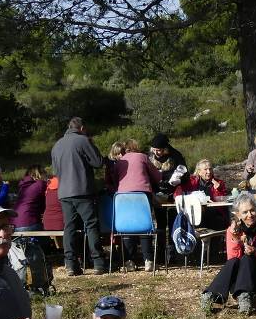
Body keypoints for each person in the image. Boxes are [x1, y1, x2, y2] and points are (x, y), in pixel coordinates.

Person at [199, 192, 256, 315]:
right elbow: (232, 259)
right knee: (235, 261)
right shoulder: (233, 230)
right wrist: (235, 237)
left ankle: (244, 297)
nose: (250, 215)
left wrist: (255, 252)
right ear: (238, 214)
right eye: (245, 212)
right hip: (242, 278)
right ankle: (211, 295)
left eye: (252, 210)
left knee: (247, 258)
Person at [51, 116, 107, 274]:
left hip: (64, 193)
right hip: (82, 190)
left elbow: (55, 171)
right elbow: (98, 162)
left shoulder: (57, 145)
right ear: (82, 128)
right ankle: (98, 263)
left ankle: (71, 264)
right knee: (91, 225)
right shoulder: (83, 141)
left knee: (69, 227)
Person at [109, 139, 162, 271]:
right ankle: (148, 260)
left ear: (125, 149)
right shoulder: (143, 157)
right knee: (144, 225)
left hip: (122, 196)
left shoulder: (120, 161)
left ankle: (128, 261)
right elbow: (157, 176)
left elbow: (115, 179)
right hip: (142, 195)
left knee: (127, 226)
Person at [174, 158, 230, 229]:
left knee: (215, 217)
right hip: (195, 213)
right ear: (199, 172)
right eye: (205, 169)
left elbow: (222, 202)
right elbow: (177, 193)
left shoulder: (219, 183)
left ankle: (212, 238)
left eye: (210, 169)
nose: (209, 172)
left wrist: (218, 189)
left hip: (214, 212)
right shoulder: (191, 182)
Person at [148, 133, 188, 197]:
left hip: (172, 191)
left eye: (158, 150)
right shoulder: (150, 156)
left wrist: (179, 180)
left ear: (165, 149)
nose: (156, 153)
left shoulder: (176, 156)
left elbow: (186, 175)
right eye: (154, 150)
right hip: (154, 191)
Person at [11, 166, 47, 232]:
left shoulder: (23, 187)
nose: (46, 176)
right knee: (49, 230)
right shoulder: (40, 184)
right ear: (39, 174)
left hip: (14, 224)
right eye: (45, 173)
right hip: (29, 222)